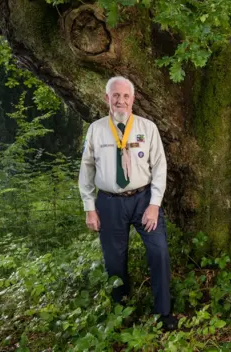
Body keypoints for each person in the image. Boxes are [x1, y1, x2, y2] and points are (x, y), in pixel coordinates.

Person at [78, 76, 177, 330]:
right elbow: (86, 170)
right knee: (114, 259)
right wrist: (90, 207)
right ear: (107, 99)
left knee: (159, 251)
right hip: (110, 203)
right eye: (115, 96)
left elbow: (160, 168)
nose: (120, 100)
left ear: (133, 99)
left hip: (144, 200)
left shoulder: (148, 128)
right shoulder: (96, 129)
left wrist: (154, 204)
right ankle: (122, 312)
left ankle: (163, 314)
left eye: (125, 96)